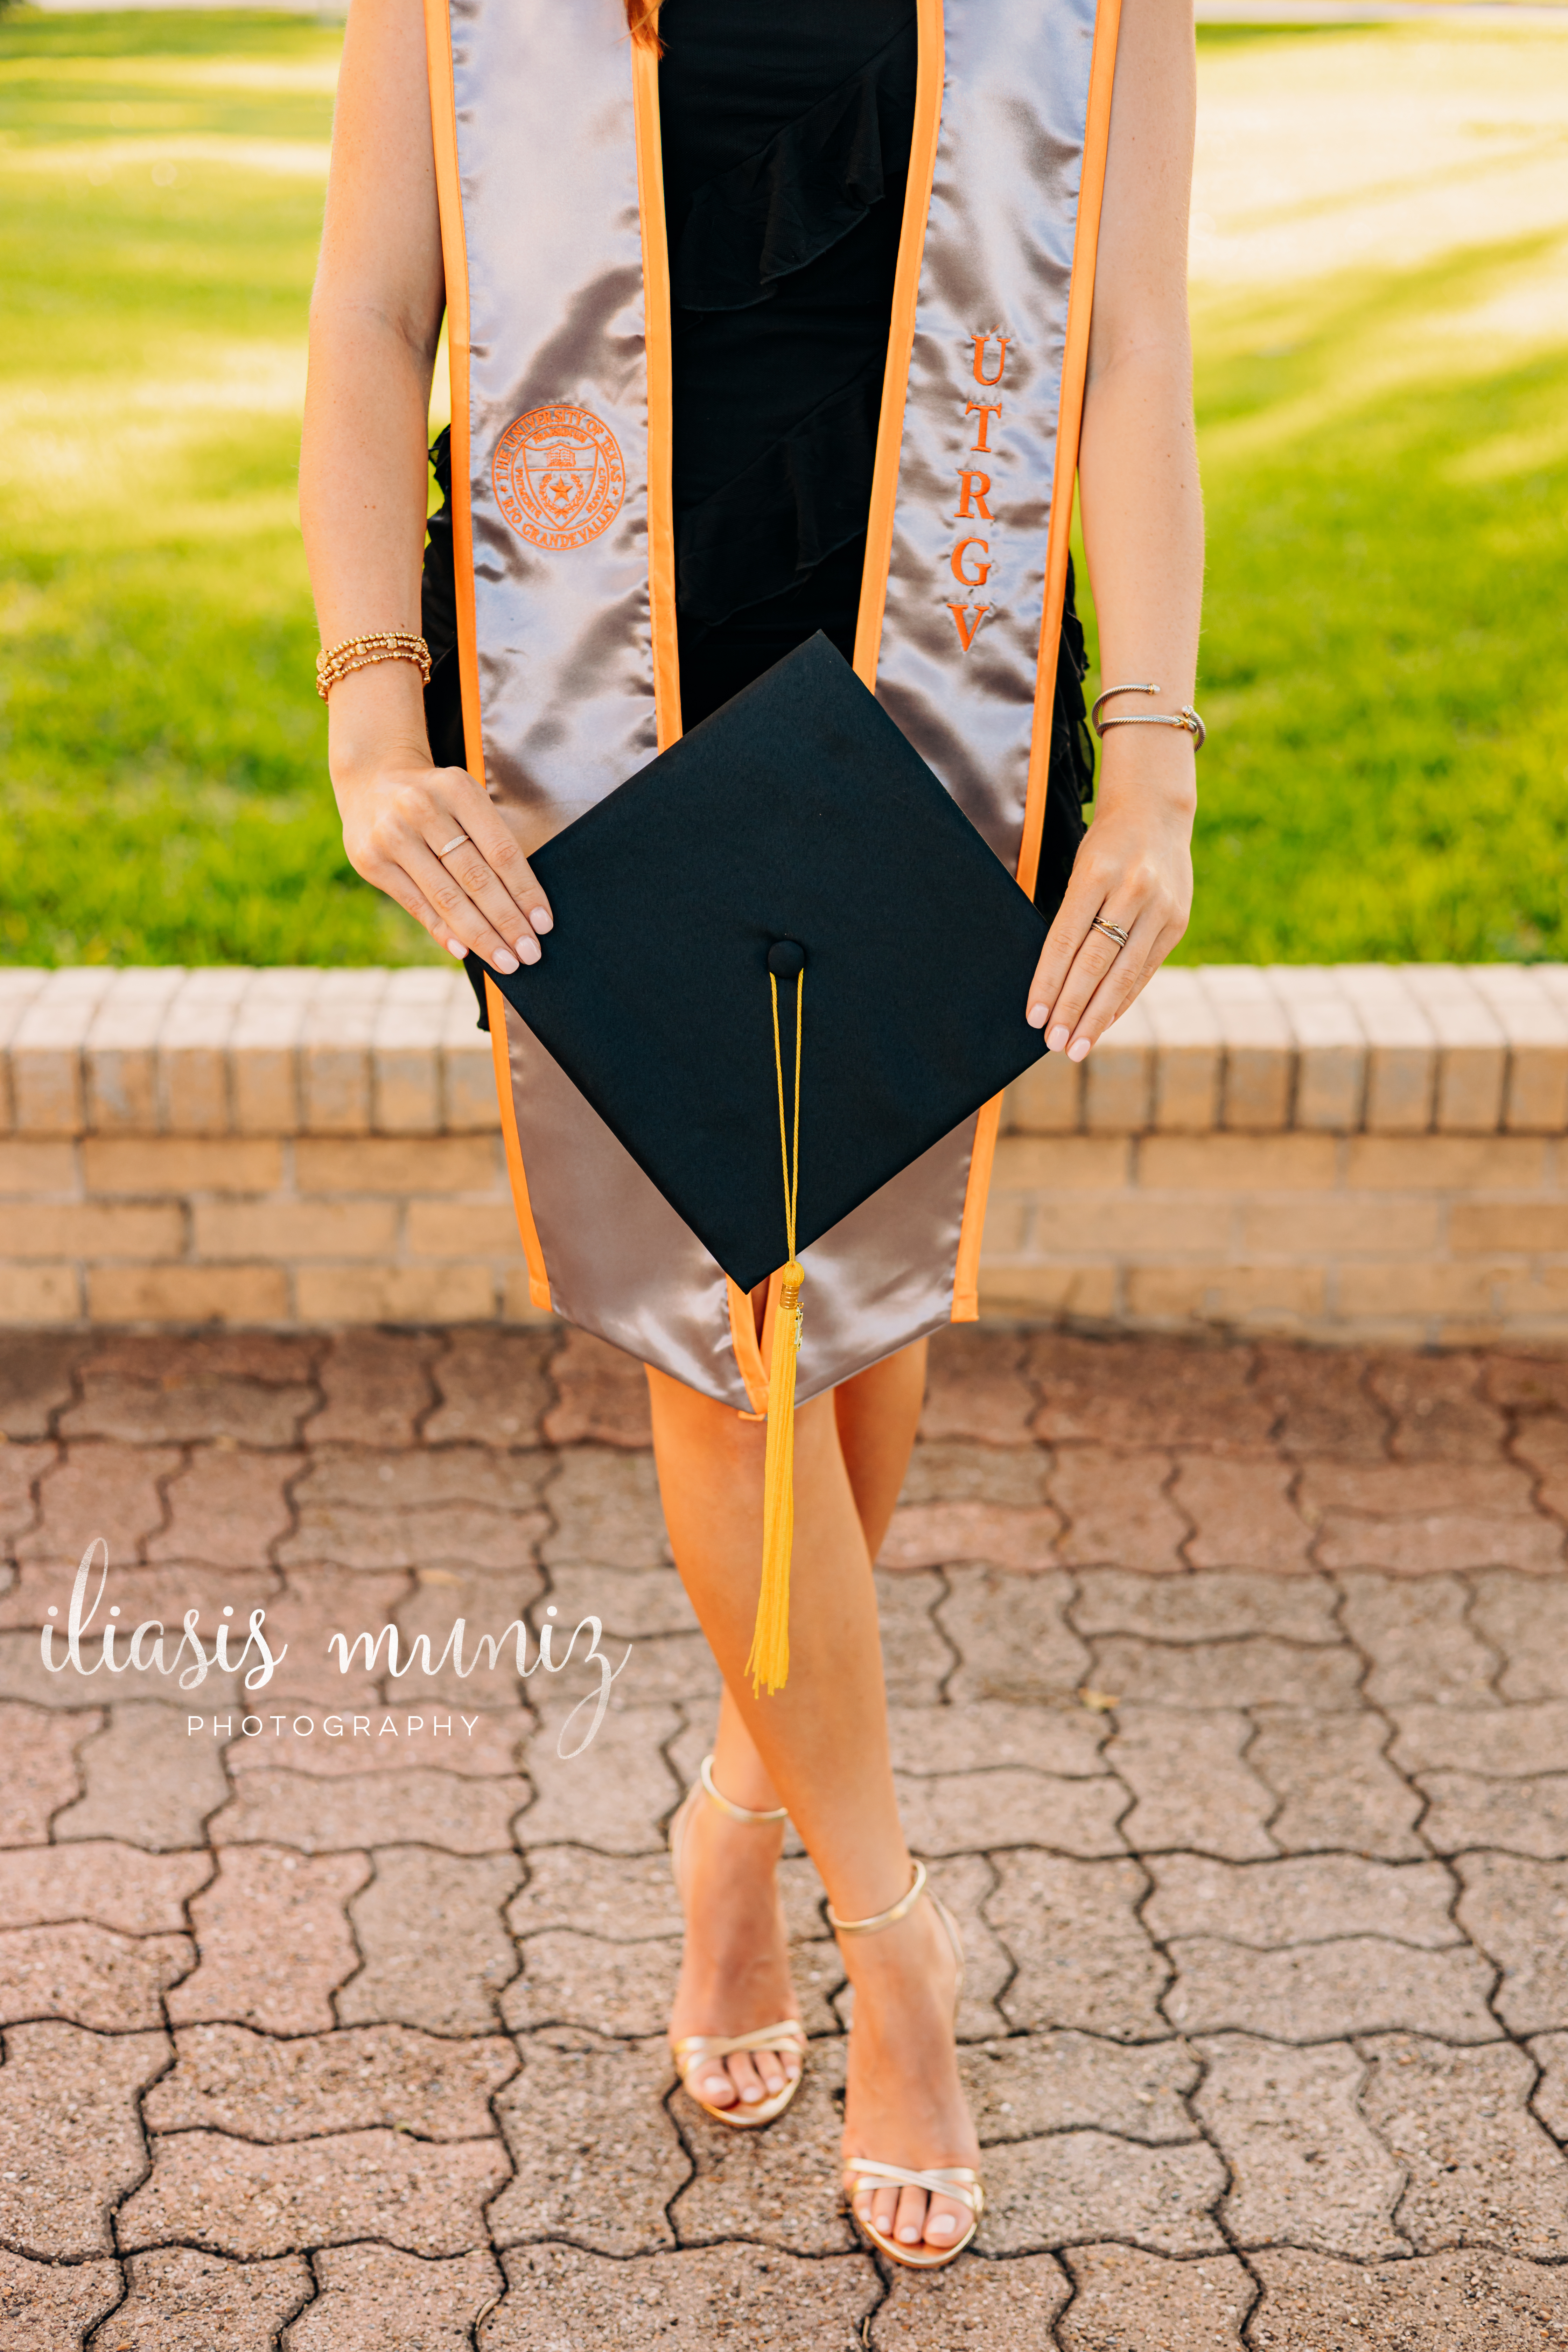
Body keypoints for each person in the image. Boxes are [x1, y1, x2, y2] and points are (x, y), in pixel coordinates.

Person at [301, 0, 1200, 2268]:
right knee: (729, 1322)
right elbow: (369, 304)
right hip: (586, 665)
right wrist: (371, 713)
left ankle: (737, 1813)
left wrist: (1161, 758)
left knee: (867, 1303)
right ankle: (898, 1947)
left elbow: (1131, 346)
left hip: (944, 652)